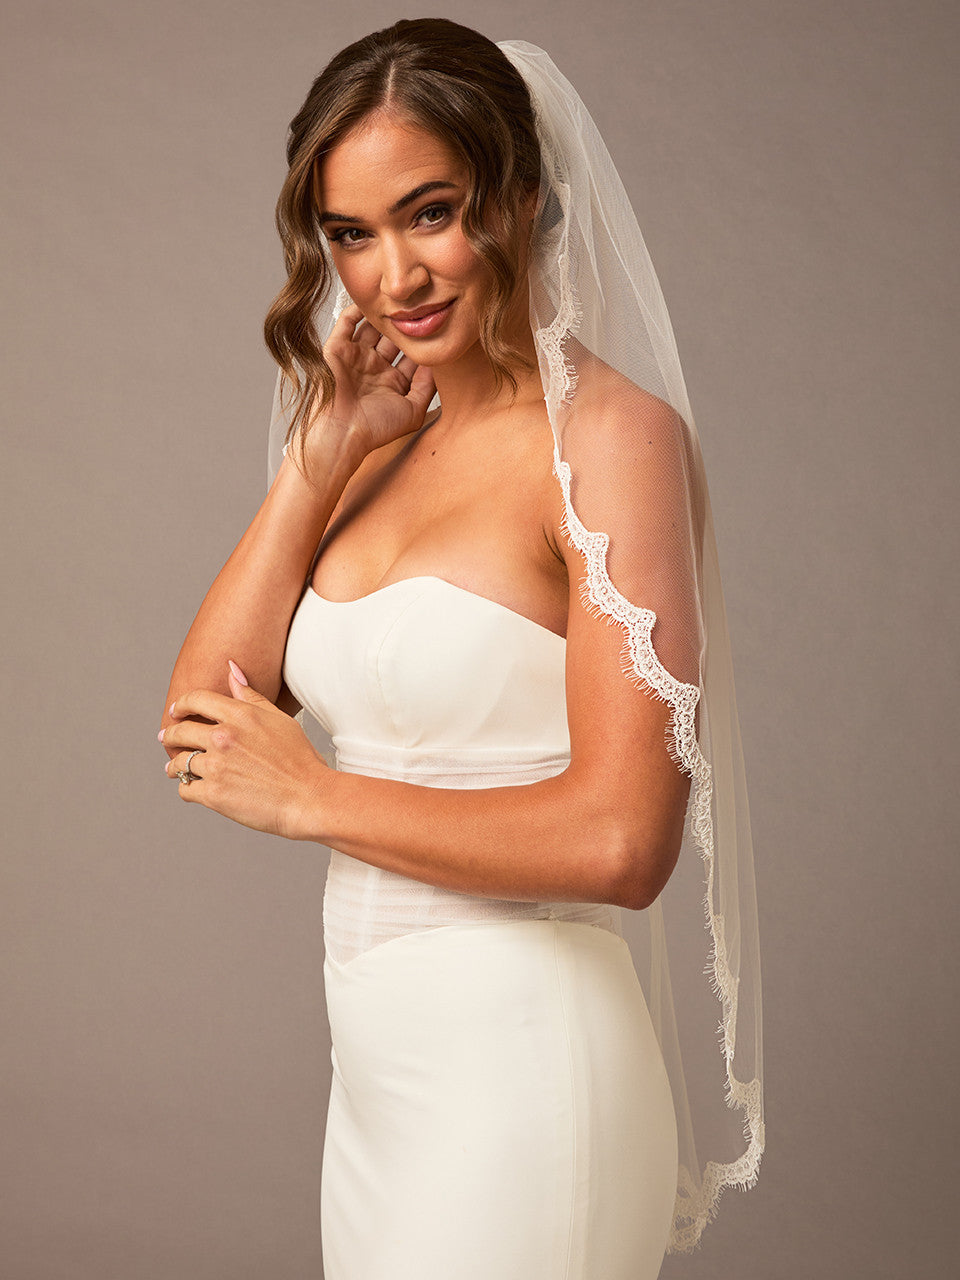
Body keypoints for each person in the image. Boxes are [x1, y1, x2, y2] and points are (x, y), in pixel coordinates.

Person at [159, 19, 763, 1279]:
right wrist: (319, 461)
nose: (393, 275)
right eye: (351, 234)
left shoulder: (611, 440)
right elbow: (206, 721)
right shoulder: (371, 444)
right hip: (378, 1082)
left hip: (527, 1073)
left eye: (431, 213)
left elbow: (625, 840)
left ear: (523, 195)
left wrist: (318, 798)